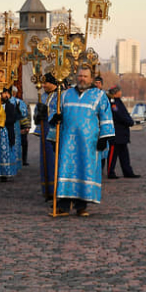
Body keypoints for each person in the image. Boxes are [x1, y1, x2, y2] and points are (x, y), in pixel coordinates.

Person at [50, 64, 114, 217]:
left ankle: (81, 206)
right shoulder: (65, 95)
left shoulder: (99, 95)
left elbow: (106, 117)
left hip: (88, 143)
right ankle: (64, 206)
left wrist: (104, 138)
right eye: (79, 76)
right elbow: (55, 113)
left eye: (85, 76)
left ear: (91, 78)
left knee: (84, 171)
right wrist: (54, 120)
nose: (82, 79)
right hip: (67, 141)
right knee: (67, 171)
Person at [33, 73, 59, 200]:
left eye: (46, 83)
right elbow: (37, 114)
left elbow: (58, 111)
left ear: (52, 83)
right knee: (45, 161)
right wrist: (38, 115)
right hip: (44, 129)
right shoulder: (42, 96)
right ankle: (47, 190)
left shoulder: (60, 95)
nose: (43, 85)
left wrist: (47, 112)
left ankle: (56, 190)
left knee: (54, 160)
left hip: (54, 131)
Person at [107, 85, 140, 179]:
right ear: (116, 92)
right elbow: (119, 115)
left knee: (124, 155)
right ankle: (110, 172)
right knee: (113, 155)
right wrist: (129, 122)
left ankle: (128, 171)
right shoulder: (113, 103)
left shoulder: (118, 102)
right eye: (119, 91)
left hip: (122, 134)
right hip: (116, 133)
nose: (121, 92)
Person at [0, 86, 21, 180]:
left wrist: (2, 121)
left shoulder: (11, 106)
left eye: (7, 93)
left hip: (6, 131)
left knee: (6, 153)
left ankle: (4, 173)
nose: (6, 95)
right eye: (4, 93)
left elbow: (13, 118)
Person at [11, 86, 30, 167]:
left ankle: (23, 159)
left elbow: (24, 115)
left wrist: (25, 127)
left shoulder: (19, 102)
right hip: (14, 126)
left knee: (23, 143)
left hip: (19, 125)